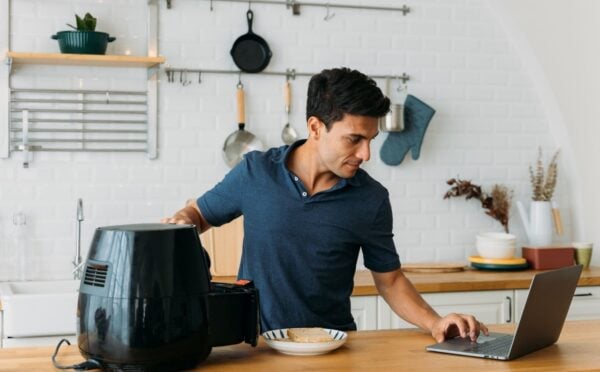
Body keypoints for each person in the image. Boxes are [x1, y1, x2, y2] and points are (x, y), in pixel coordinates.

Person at [162, 67, 488, 342]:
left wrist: (435, 323)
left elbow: (390, 280)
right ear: (316, 128)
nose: (366, 155)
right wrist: (181, 220)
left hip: (332, 348)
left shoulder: (371, 199)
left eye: (370, 140)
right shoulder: (255, 172)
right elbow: (199, 214)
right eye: (354, 139)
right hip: (257, 347)